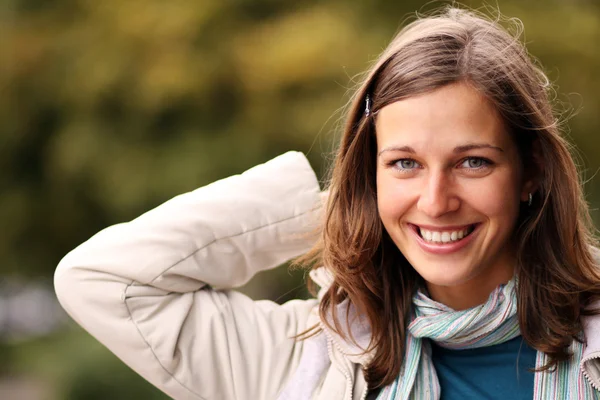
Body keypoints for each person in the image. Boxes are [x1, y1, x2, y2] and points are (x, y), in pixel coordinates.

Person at [54, 6, 600, 400]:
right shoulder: (301, 357)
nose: (435, 201)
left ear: (532, 171)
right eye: (404, 163)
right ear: (370, 174)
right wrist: (354, 209)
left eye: (472, 162)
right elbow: (102, 278)